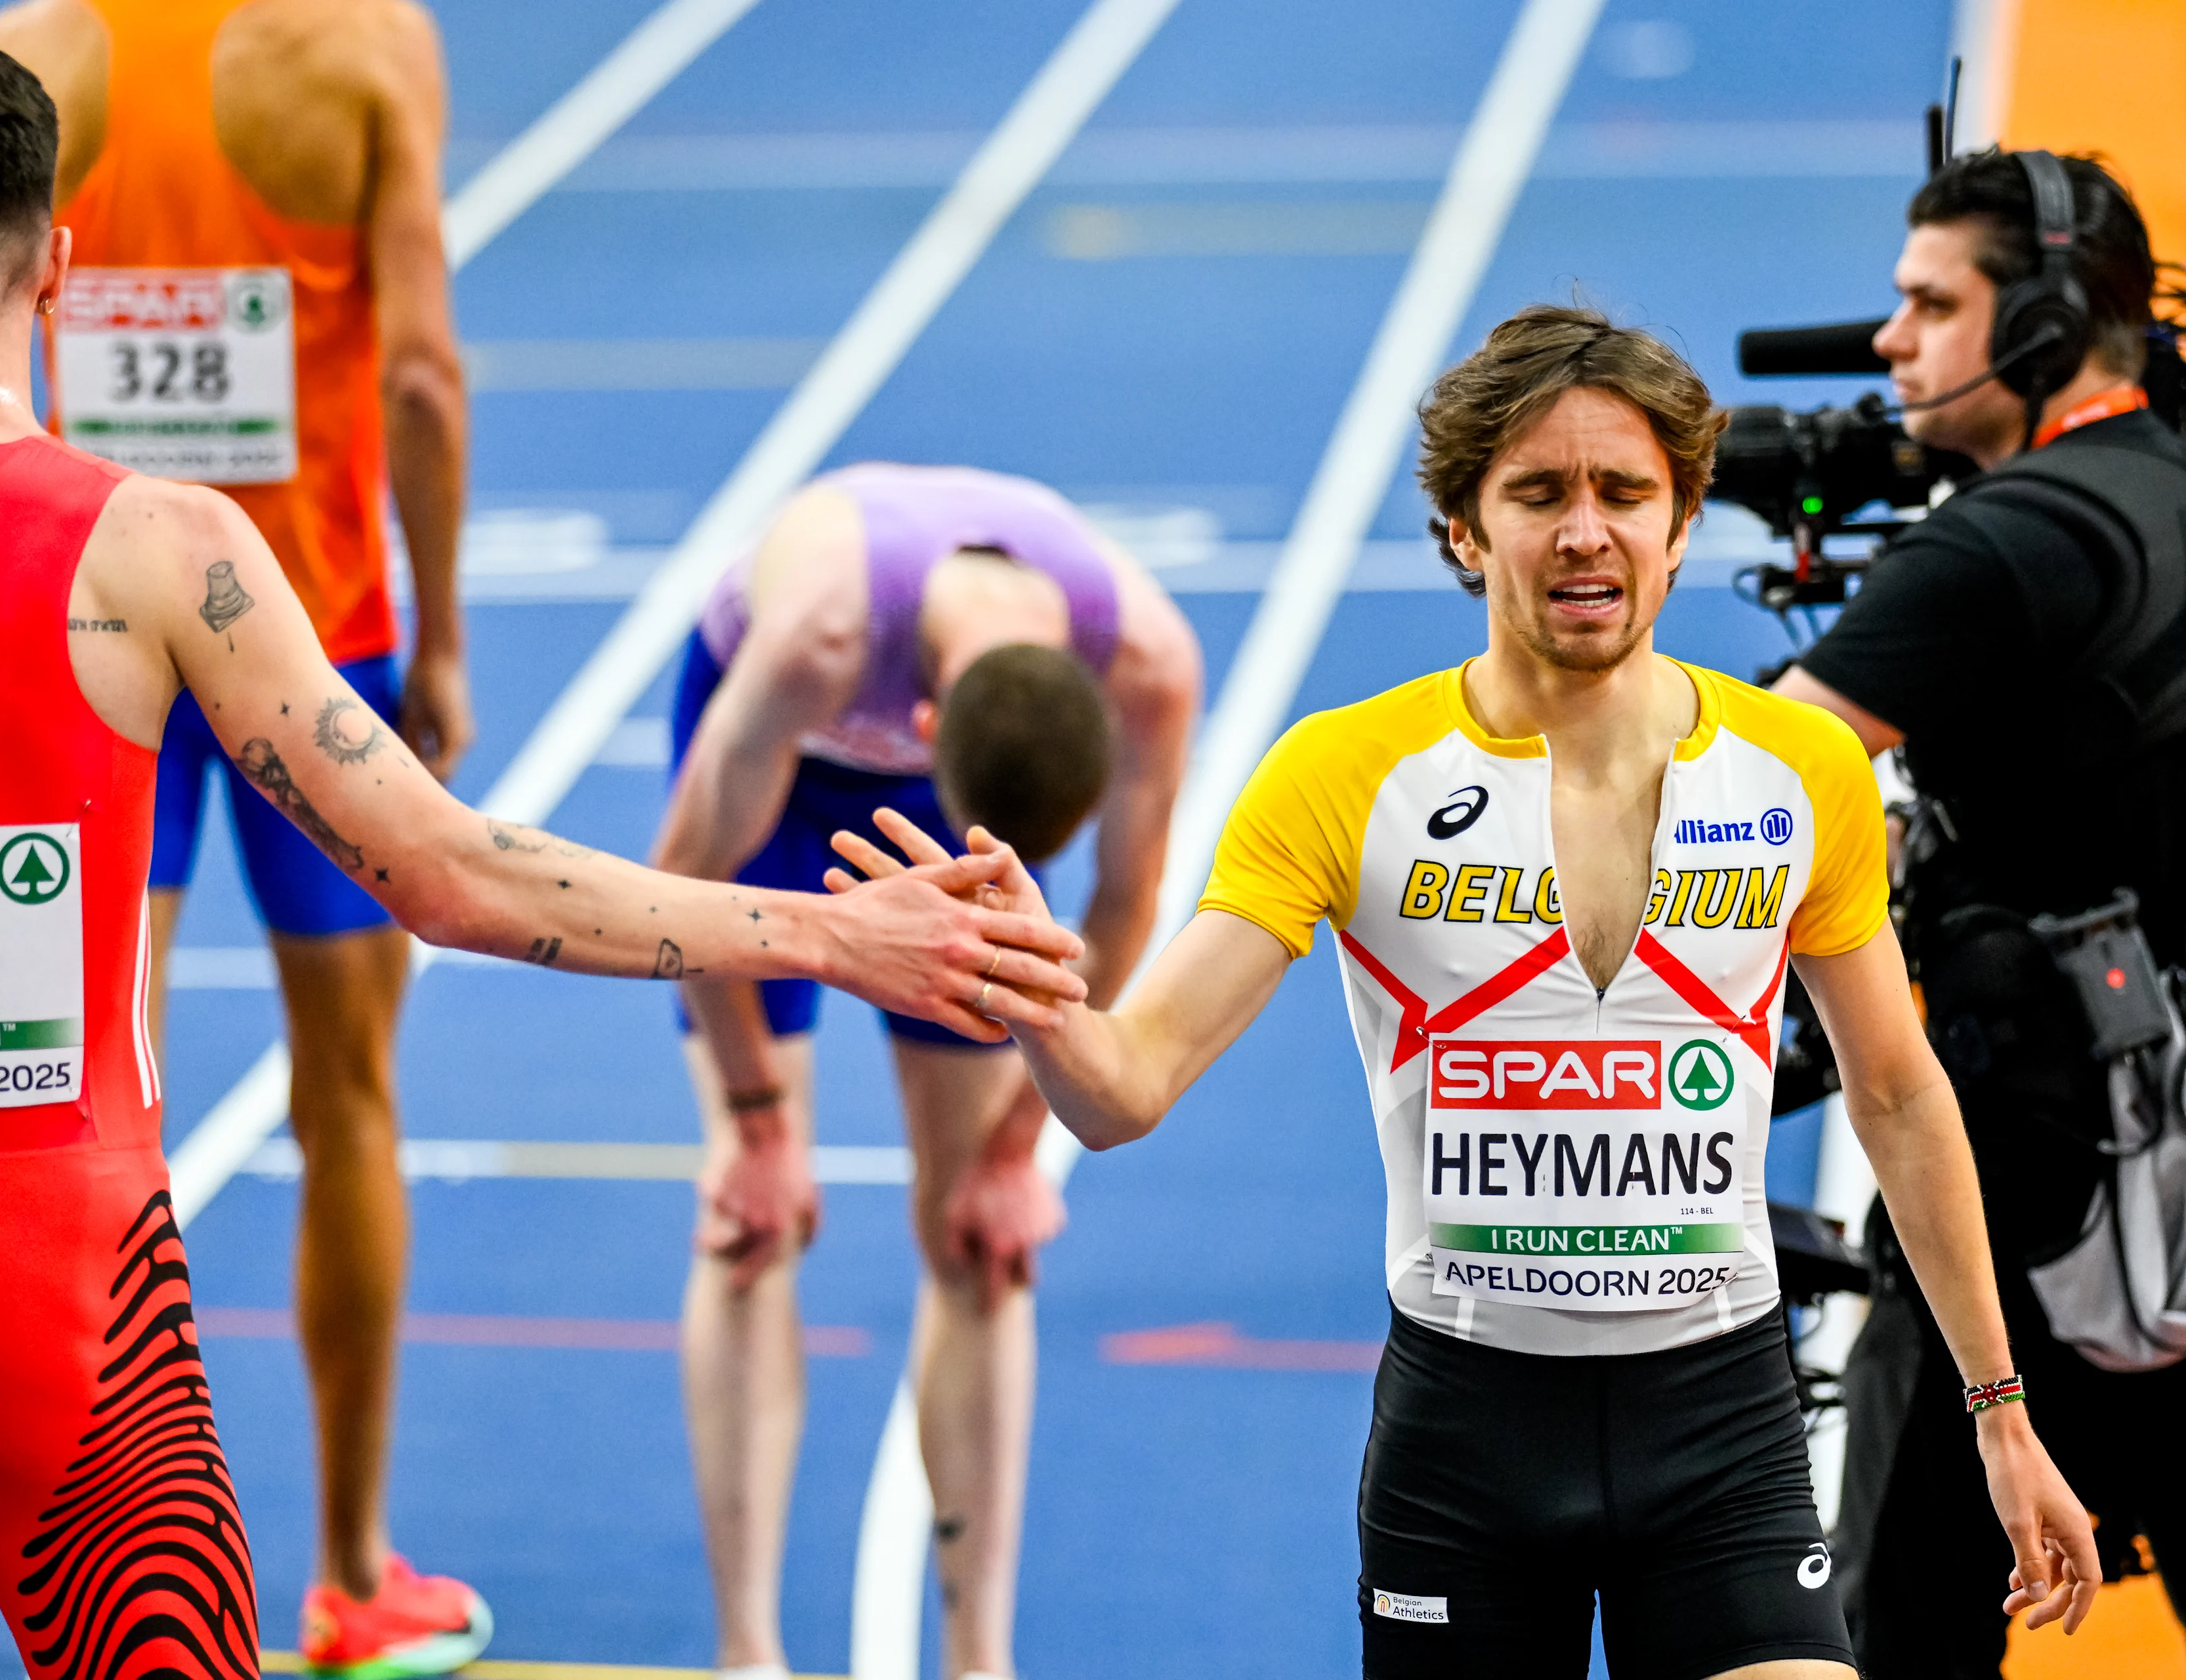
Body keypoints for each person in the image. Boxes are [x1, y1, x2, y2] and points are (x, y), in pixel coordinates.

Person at [0, 44, 1085, 1680]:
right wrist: (831, 932)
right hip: (67, 1310)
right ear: (58, 262)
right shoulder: (161, 549)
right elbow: (452, 870)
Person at [836, 306, 2106, 1678]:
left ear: (1681, 526)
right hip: (1467, 1446)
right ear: (1463, 527)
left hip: (1721, 1424)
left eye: (1626, 492)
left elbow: (1901, 1091)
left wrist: (2002, 1410)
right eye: (1538, 493)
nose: (1585, 531)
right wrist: (1035, 992)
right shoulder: (1343, 774)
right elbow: (1125, 1087)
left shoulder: (1801, 772)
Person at [0, 0, 478, 1666]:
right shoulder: (365, 53)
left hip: (93, 641)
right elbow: (416, 370)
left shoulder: (37, 53)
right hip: (311, 644)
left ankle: (104, 1584)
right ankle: (345, 1573)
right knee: (352, 1103)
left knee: (91, 1112)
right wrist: (448, 636)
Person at [651, 464, 1201, 1680]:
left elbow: (1120, 902)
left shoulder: (1150, 667)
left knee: (981, 1240)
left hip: (951, 764)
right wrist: (754, 1126)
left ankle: (978, 1657)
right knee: (751, 1227)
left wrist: (1014, 1153)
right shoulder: (819, 638)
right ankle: (749, 1653)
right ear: (922, 727)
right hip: (776, 780)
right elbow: (683, 892)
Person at [1773, 147, 2186, 1675]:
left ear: (2039, 328)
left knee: (1900, 1636)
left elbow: (1730, 791)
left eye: (1929, 305)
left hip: (2025, 1204)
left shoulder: (1996, 549)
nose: (1891, 344)